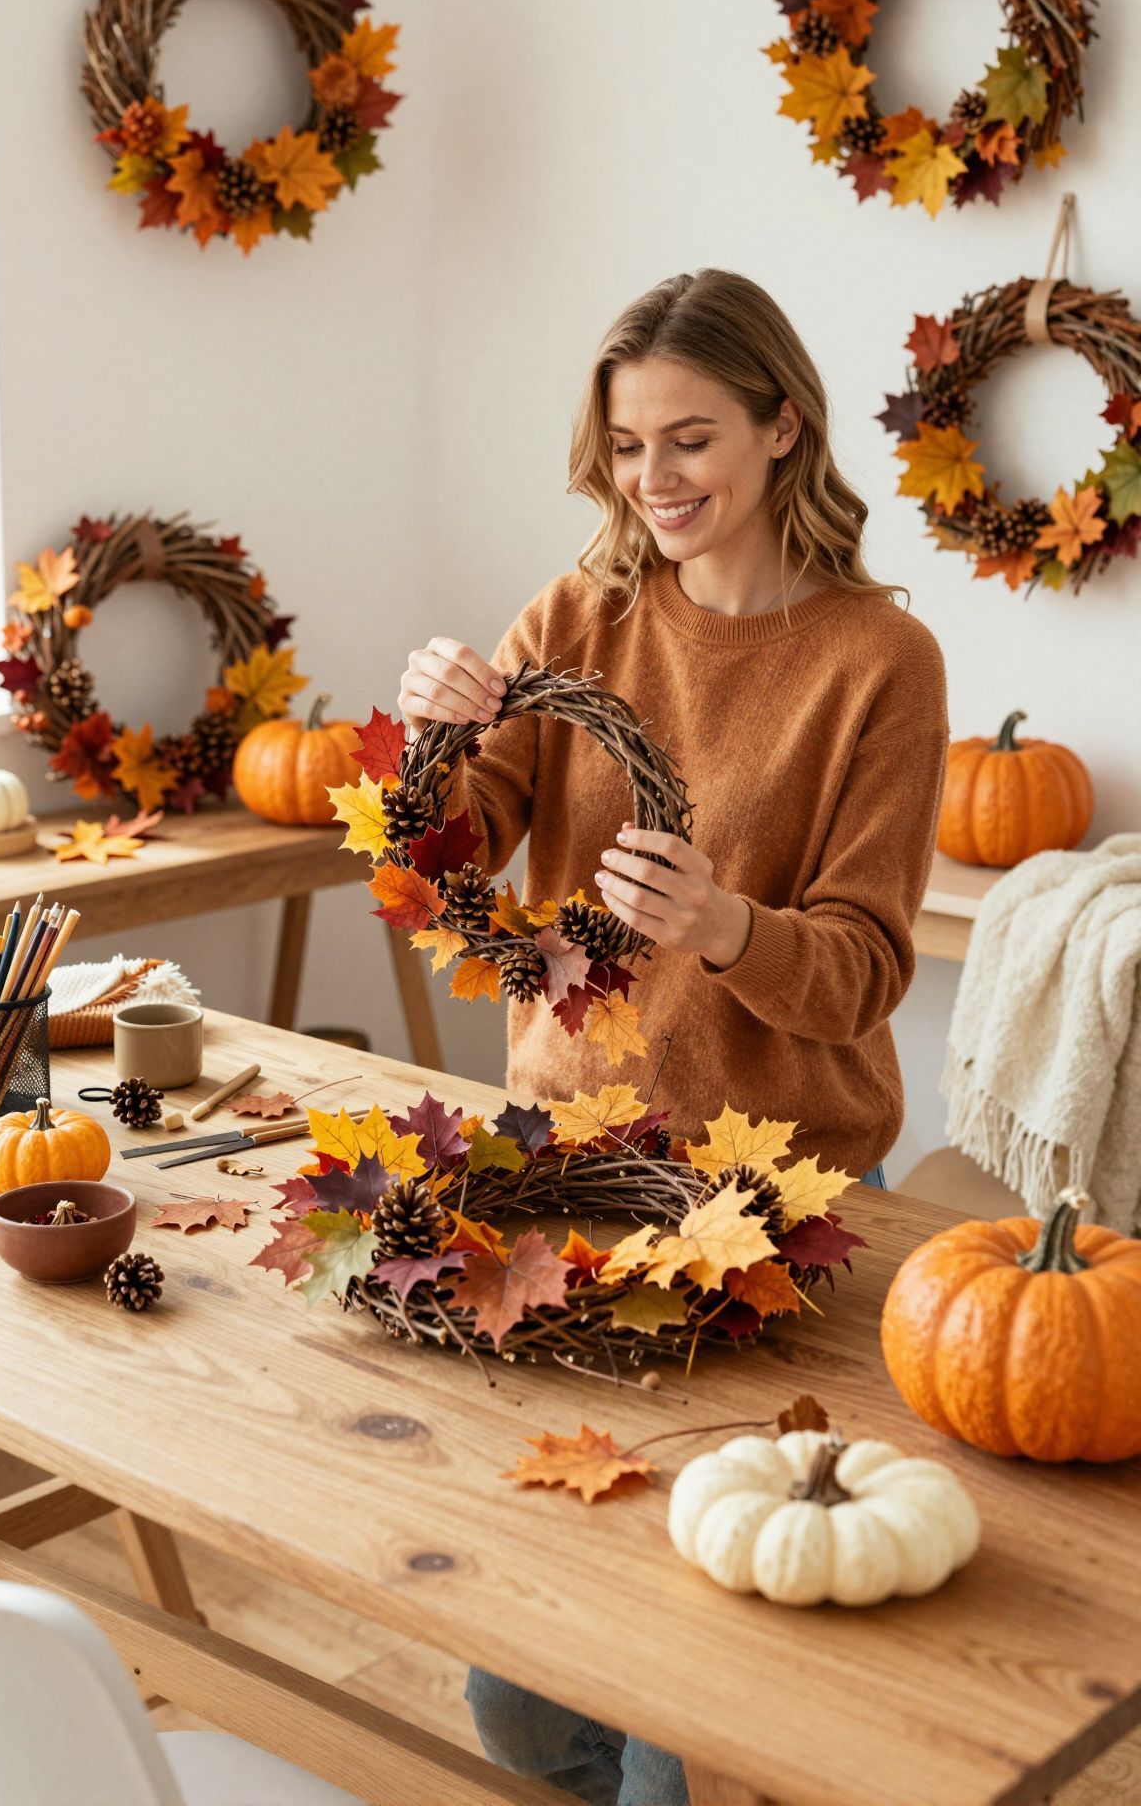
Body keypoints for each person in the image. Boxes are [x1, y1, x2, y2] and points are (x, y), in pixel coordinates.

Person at [396, 267, 950, 1806]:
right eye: (629, 448)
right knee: (521, 1706)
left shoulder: (878, 664)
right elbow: (448, 851)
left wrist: (727, 929)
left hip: (777, 1196)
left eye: (691, 440)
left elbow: (863, 972)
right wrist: (436, 733)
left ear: (783, 428)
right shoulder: (575, 618)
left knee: (681, 1707)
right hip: (564, 1168)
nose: (656, 482)